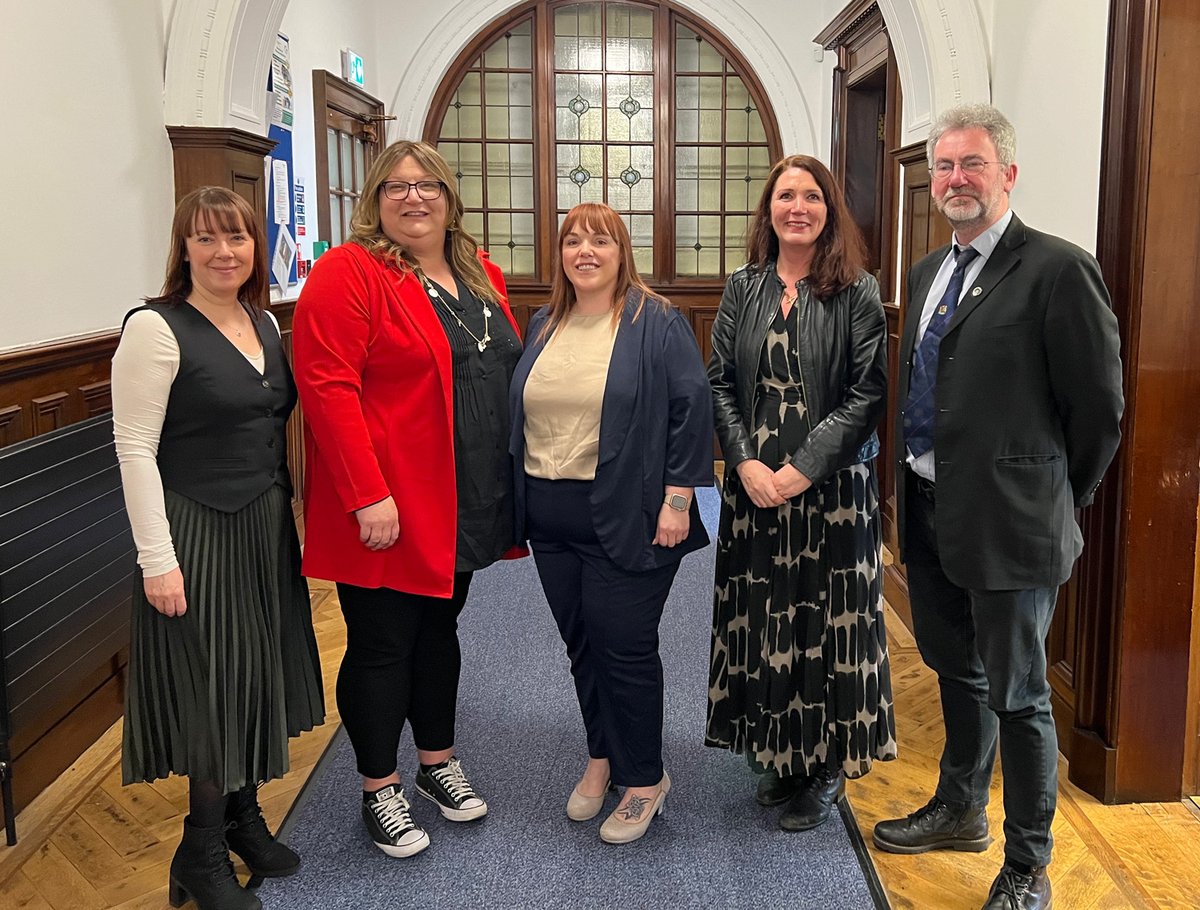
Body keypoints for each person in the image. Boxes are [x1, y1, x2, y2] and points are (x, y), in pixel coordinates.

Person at [872, 104, 1123, 910]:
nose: (955, 180)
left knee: (1019, 694)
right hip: (931, 512)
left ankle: (1027, 866)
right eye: (943, 167)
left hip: (1013, 525)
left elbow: (1100, 412)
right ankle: (958, 810)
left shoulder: (1056, 269)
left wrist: (1051, 495)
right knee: (955, 672)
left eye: (971, 165)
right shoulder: (927, 271)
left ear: (1007, 173)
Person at [292, 140, 522, 859]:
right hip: (388, 505)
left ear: (450, 197)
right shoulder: (349, 272)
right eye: (395, 187)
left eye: (427, 185)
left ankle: (436, 762)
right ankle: (378, 785)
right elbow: (327, 388)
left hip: (464, 498)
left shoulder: (480, 274)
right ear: (375, 199)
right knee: (384, 642)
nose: (413, 197)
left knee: (440, 631)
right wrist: (367, 495)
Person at [112, 186, 325, 910]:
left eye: (235, 237)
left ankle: (241, 818)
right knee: (212, 690)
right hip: (195, 528)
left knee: (253, 675)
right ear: (184, 249)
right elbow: (135, 449)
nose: (224, 251)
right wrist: (157, 560)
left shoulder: (264, 322)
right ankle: (199, 852)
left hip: (264, 525)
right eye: (206, 239)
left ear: (254, 247)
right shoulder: (156, 327)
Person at [509, 202, 713, 844]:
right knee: (582, 646)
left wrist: (678, 501)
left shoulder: (656, 322)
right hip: (551, 518)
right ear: (561, 254)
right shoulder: (545, 322)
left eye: (600, 240)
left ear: (622, 251)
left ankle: (646, 778)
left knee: (624, 648)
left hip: (631, 516)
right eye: (573, 240)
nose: (585, 252)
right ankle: (602, 757)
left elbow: (692, 409)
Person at [705, 155, 897, 832]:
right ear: (769, 210)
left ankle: (826, 769)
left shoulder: (858, 291)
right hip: (756, 493)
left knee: (828, 628)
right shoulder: (742, 287)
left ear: (828, 210)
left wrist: (804, 467)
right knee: (767, 622)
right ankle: (780, 753)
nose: (797, 207)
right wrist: (747, 464)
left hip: (833, 493)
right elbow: (720, 382)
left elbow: (868, 393)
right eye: (785, 195)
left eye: (810, 196)